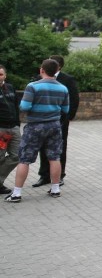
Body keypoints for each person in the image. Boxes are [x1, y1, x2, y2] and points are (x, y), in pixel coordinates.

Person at [5, 59, 68, 203]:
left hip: (35, 126)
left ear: (42, 70)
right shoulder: (63, 88)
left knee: (24, 159)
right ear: (57, 70)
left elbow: (24, 107)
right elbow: (66, 110)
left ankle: (16, 193)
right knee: (54, 157)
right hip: (54, 126)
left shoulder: (33, 86)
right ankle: (55, 189)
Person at [33, 54, 78, 188]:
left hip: (60, 120)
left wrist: (69, 117)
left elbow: (74, 99)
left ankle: (59, 175)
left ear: (58, 66)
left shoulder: (67, 80)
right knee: (43, 147)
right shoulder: (38, 79)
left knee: (60, 148)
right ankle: (44, 175)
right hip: (42, 120)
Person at [0, 65, 21, 195]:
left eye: (1, 74)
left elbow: (16, 107)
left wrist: (18, 124)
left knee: (17, 156)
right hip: (1, 130)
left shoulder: (11, 88)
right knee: (0, 157)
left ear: (5, 76)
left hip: (14, 128)